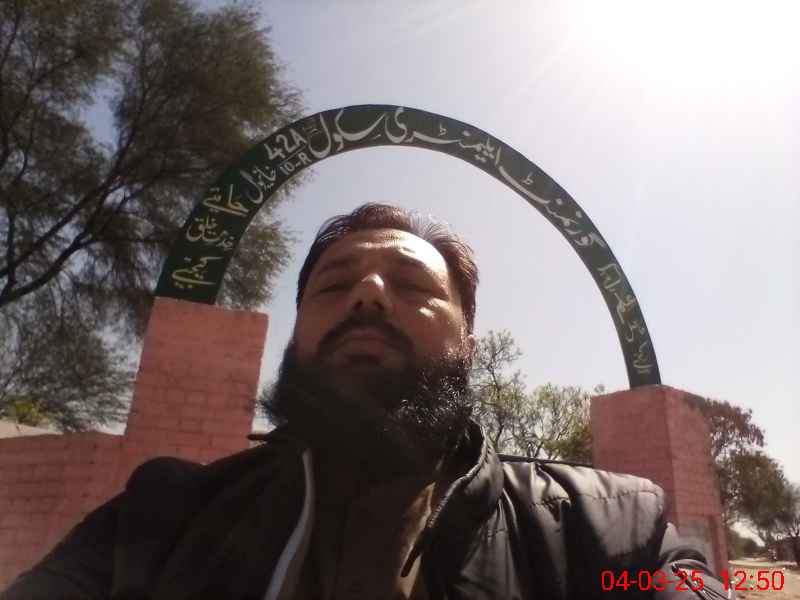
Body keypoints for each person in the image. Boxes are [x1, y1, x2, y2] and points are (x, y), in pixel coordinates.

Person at [3, 203, 731, 599]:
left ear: (470, 342)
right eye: (333, 284)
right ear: (295, 331)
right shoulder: (156, 522)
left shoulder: (607, 531)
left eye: (412, 286)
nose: (369, 294)